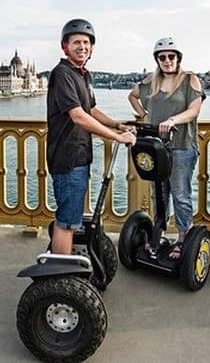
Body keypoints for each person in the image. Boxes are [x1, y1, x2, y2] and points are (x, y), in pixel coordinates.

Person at [47, 18, 136, 255]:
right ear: (65, 47)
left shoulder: (83, 75)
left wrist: (118, 125)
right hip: (67, 158)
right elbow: (78, 116)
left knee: (72, 216)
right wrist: (117, 138)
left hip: (80, 156)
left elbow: (91, 110)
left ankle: (64, 262)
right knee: (67, 223)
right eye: (76, 42)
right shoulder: (62, 73)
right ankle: (61, 272)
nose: (82, 47)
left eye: (86, 43)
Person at [127, 37, 205, 260]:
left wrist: (173, 120)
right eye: (162, 57)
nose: (167, 60)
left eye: (171, 56)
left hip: (181, 146)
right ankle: (158, 234)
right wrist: (144, 116)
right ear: (157, 60)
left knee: (180, 194)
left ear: (178, 58)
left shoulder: (190, 79)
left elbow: (194, 110)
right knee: (159, 193)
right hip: (156, 146)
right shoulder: (151, 80)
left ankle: (182, 239)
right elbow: (132, 96)